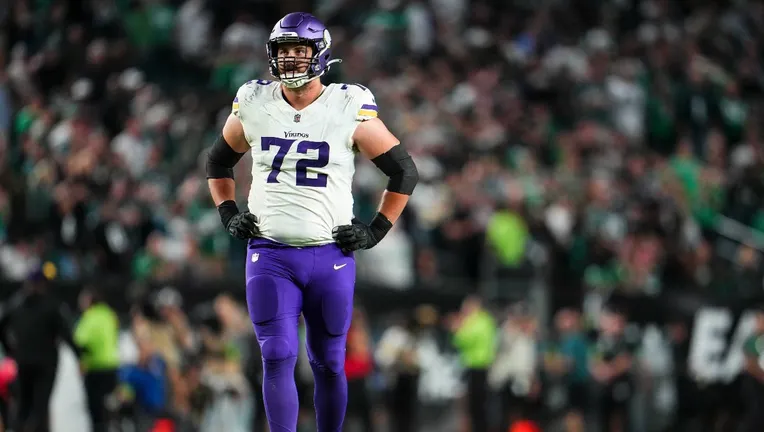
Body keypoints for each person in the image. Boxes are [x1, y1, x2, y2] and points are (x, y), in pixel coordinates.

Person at [205, 11, 419, 432]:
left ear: (319, 54)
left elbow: (403, 171)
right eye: (283, 50)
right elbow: (218, 162)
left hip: (329, 255)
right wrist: (228, 212)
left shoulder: (346, 105)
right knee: (277, 354)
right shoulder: (254, 101)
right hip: (270, 254)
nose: (290, 59)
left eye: (299, 50)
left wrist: (376, 229)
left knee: (329, 361)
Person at [0, 262, 80, 432]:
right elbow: (65, 334)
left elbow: (2, 326)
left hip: (23, 361)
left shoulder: (16, 304)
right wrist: (79, 353)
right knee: (40, 406)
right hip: (45, 364)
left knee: (23, 405)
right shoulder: (51, 305)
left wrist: (10, 351)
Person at [74, 286, 120, 432]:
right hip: (112, 366)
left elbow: (79, 341)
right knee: (110, 407)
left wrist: (82, 361)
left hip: (95, 368)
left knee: (96, 410)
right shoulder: (109, 314)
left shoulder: (90, 317)